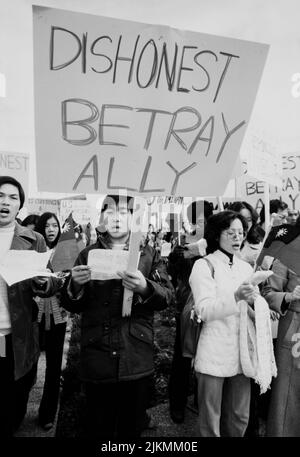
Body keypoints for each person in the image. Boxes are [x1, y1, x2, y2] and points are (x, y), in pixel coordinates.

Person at [61, 194, 174, 438]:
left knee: (130, 428)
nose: (116, 218)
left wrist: (145, 287)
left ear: (133, 218)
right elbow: (71, 304)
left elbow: (167, 297)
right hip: (97, 355)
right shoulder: (87, 254)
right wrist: (76, 286)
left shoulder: (149, 254)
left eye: (123, 212)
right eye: (110, 212)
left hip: (135, 355)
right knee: (98, 426)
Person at [0, 176, 61, 437]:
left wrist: (43, 282)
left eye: (13, 198)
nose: (5, 202)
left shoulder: (33, 239)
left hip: (16, 333)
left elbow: (51, 283)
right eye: (1, 195)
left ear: (19, 206)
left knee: (15, 393)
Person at [189, 210, 257, 437]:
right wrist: (237, 297)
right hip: (213, 349)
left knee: (239, 416)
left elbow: (250, 309)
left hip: (241, 351)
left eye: (241, 232)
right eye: (231, 233)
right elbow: (205, 310)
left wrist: (262, 309)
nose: (238, 238)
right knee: (211, 419)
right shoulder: (203, 265)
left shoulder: (246, 267)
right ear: (217, 235)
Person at [167, 200, 213, 424]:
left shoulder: (216, 244)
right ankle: (177, 403)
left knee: (208, 352)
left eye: (207, 220)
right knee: (182, 355)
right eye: (199, 220)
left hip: (212, 306)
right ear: (193, 222)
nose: (202, 224)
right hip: (186, 306)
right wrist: (180, 256)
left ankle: (199, 398)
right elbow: (172, 272)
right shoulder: (183, 244)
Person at [261, 215, 300, 436]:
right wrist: (289, 295)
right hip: (294, 328)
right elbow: (267, 292)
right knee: (289, 394)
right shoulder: (286, 254)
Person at [35, 212, 69, 430]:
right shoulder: (32, 251)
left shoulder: (65, 252)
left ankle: (47, 413)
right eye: (46, 225)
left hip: (58, 316)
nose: (51, 229)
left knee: (54, 367)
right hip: (33, 314)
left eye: (54, 225)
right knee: (28, 363)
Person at [228, 201, 263, 267]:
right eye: (241, 219)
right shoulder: (220, 243)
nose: (246, 223)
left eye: (249, 220)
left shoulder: (259, 247)